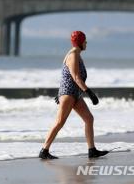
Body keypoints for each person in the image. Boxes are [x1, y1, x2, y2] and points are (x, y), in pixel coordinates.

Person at [39, 31, 109, 159]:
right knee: (59, 122)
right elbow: (76, 77)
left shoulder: (77, 54)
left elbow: (68, 76)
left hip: (74, 93)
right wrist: (89, 92)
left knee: (89, 118)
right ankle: (44, 150)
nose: (86, 43)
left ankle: (92, 150)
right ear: (80, 42)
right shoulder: (73, 55)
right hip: (69, 93)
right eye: (85, 41)